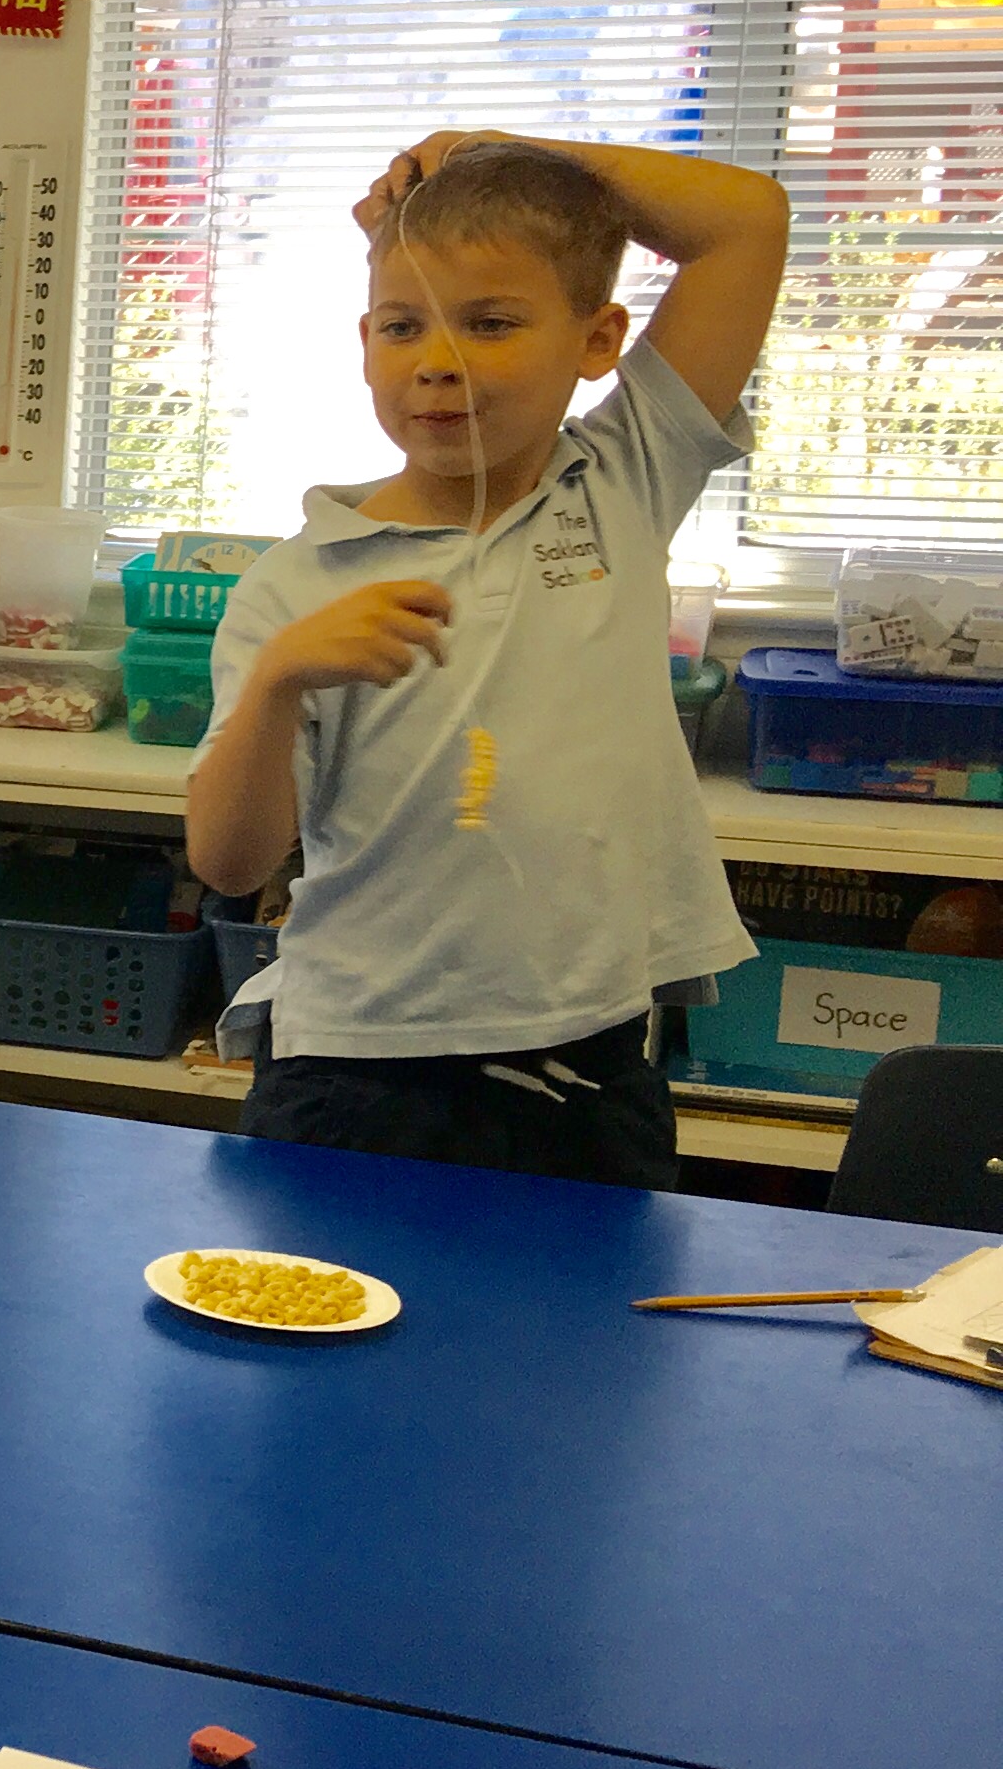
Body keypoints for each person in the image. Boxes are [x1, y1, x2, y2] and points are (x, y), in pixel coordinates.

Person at [186, 131, 794, 1184]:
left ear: (598, 339)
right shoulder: (297, 583)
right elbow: (230, 865)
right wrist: (279, 681)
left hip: (590, 1062)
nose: (437, 360)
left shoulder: (621, 480)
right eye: (402, 326)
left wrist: (500, 153)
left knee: (587, 1299)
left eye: (491, 323)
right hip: (357, 1069)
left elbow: (745, 222)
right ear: (365, 342)